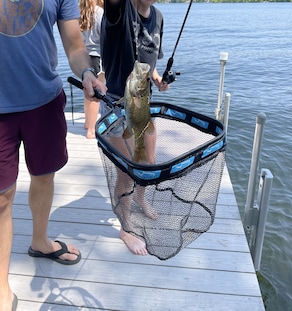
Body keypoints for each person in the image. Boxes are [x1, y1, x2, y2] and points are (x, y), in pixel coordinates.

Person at [0, 1, 107, 310]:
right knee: (2, 197)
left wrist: (87, 71)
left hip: (44, 101)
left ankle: (40, 240)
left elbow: (74, 44)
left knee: (44, 176)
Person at [101, 0, 170, 256]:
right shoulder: (119, 11)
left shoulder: (158, 18)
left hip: (142, 103)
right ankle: (126, 228)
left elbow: (150, 65)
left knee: (148, 162)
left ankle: (140, 198)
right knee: (126, 172)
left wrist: (159, 81)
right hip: (116, 106)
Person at [79, 0, 105, 139]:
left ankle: (87, 122)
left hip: (82, 57)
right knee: (96, 95)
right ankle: (92, 130)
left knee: (87, 92)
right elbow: (105, 37)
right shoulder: (100, 13)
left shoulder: (80, 13)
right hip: (97, 57)